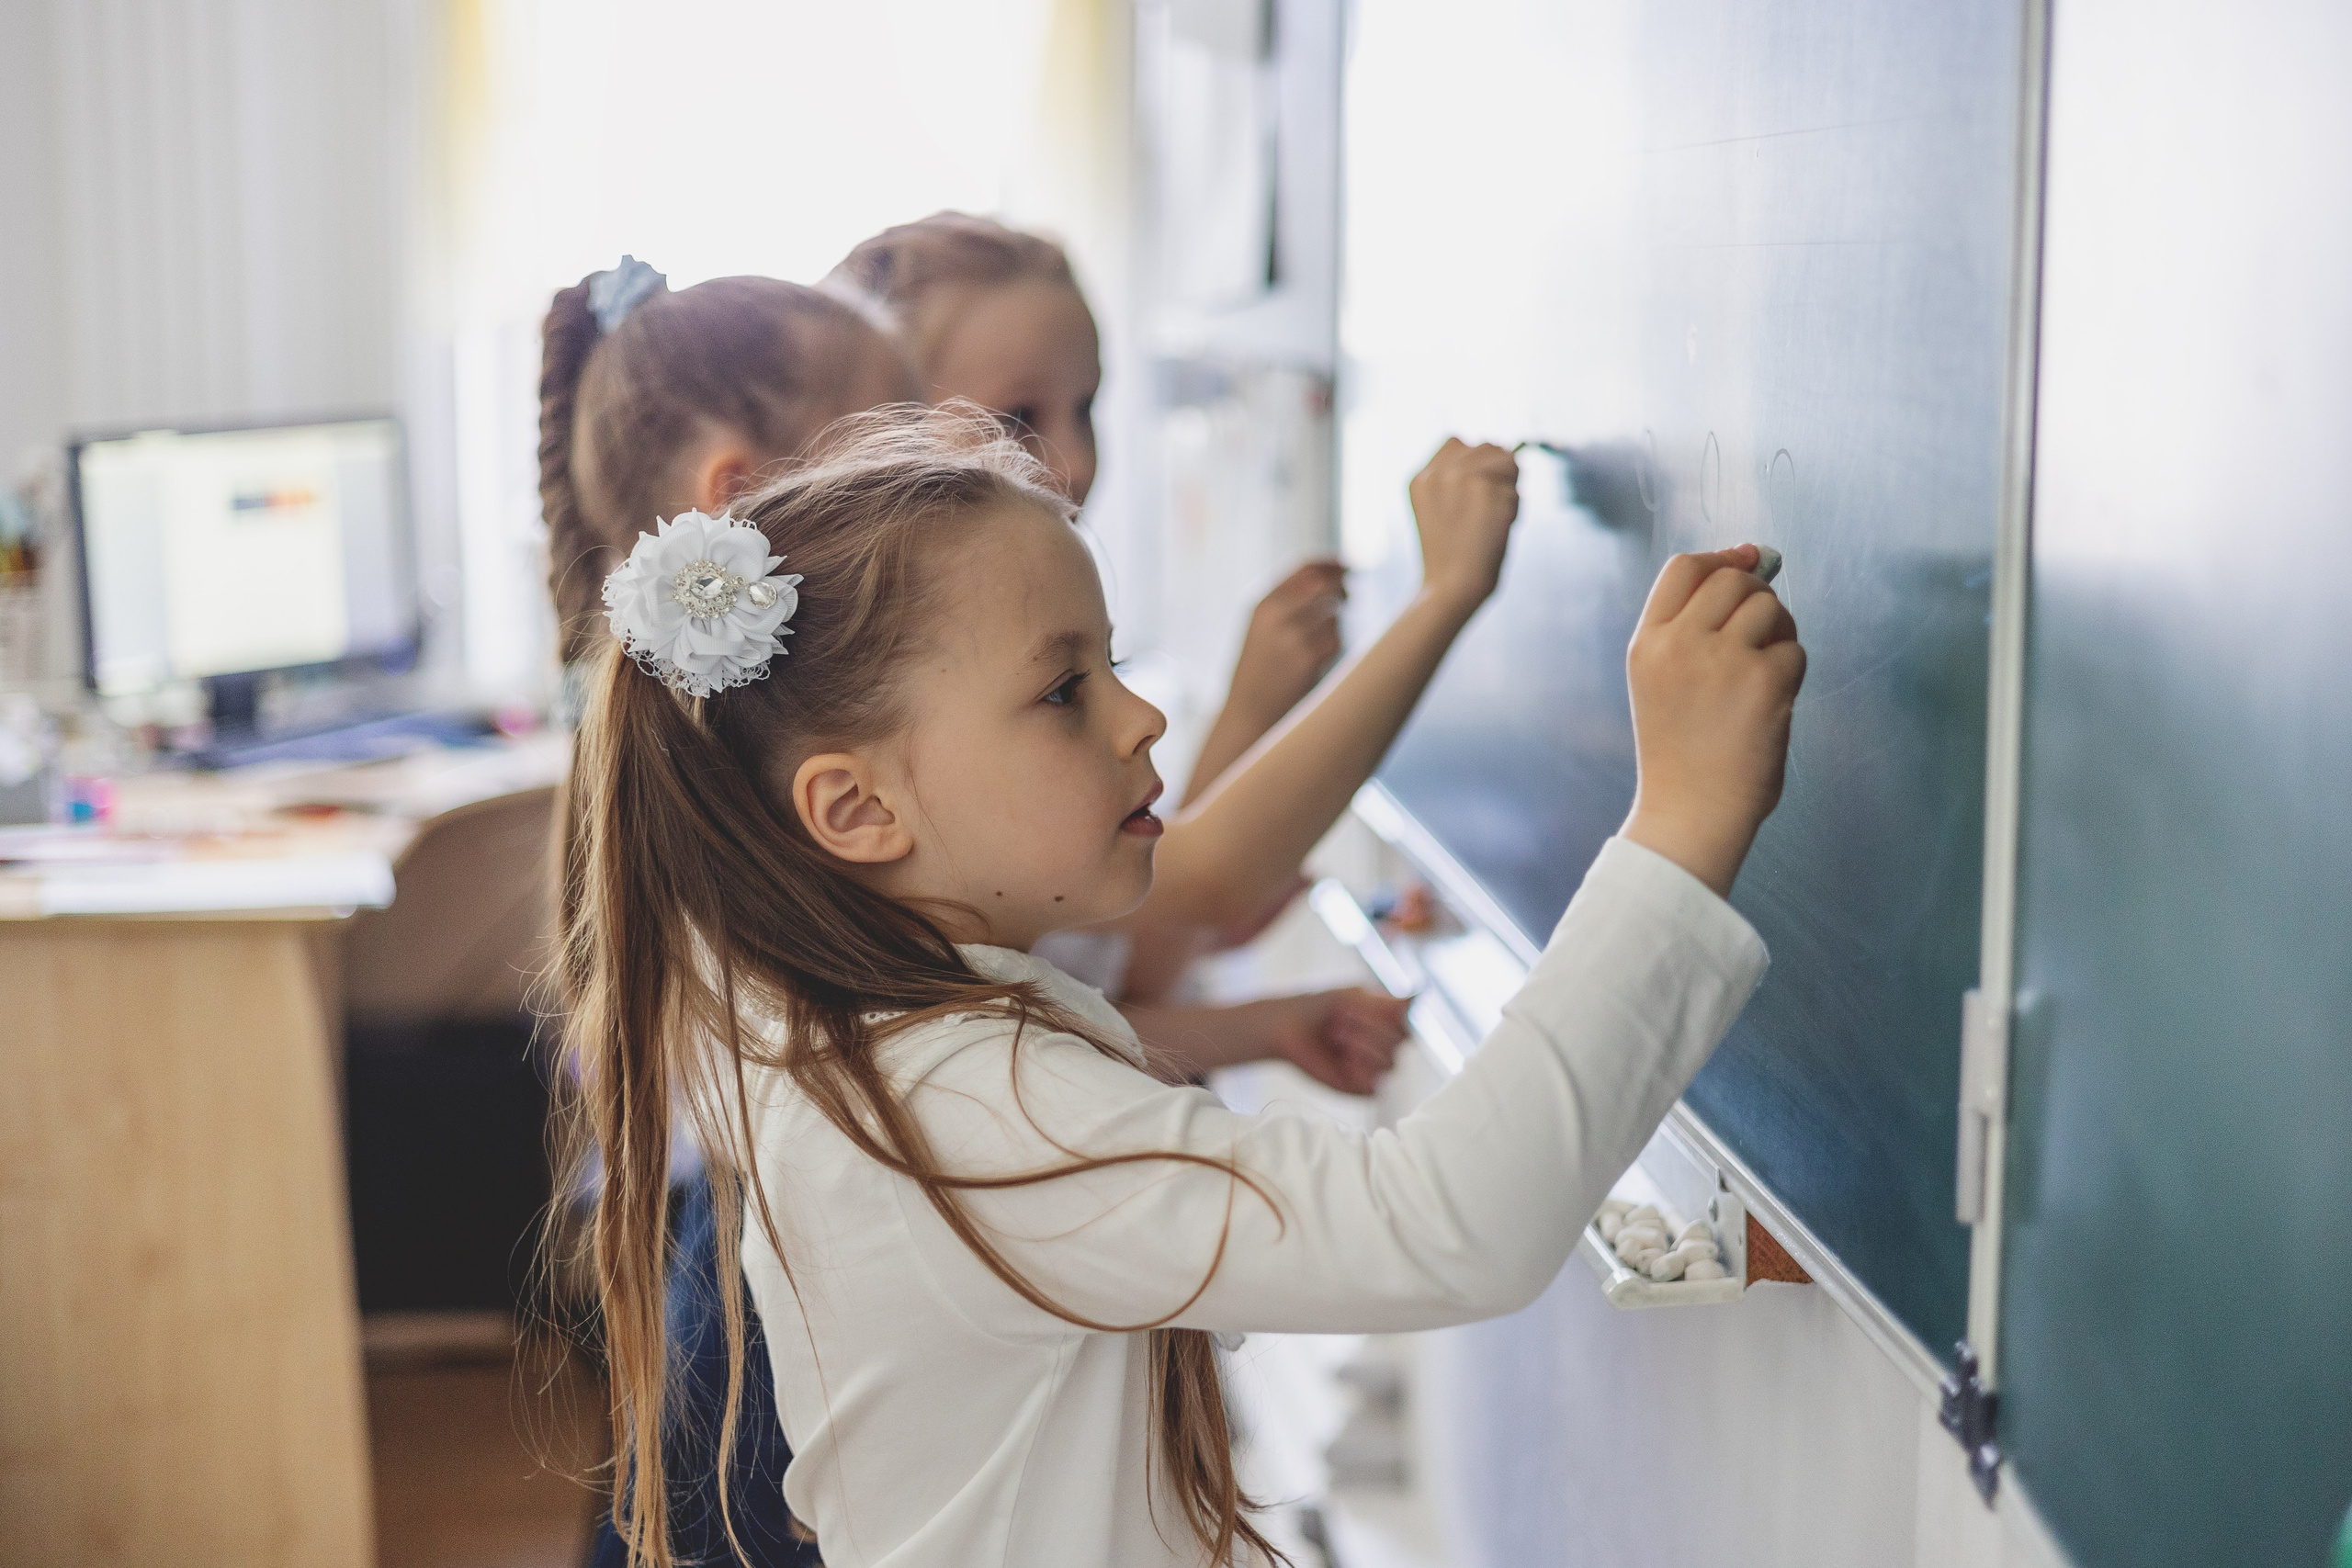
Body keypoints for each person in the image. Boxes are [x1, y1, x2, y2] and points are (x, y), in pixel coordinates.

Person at [561, 404, 1803, 1566]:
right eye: (1065, 691)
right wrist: (1684, 819)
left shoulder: (836, 1028)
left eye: (1111, 664)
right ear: (856, 809)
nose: (1144, 716)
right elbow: (1442, 1223)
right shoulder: (967, 1104)